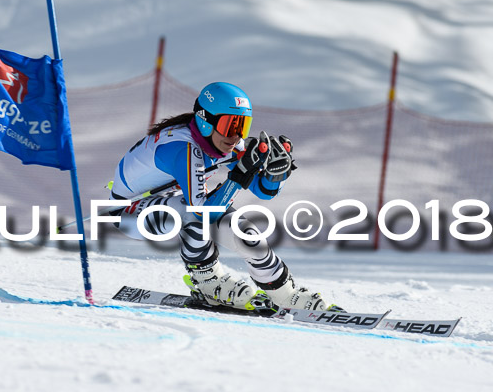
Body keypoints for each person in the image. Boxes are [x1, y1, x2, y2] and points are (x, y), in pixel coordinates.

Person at [108, 82, 337, 312]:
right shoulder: (184, 148)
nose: (236, 135)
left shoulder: (225, 142)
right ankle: (207, 281)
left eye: (242, 125)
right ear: (205, 121)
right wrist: (239, 176)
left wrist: (276, 174)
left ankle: (284, 294)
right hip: (129, 213)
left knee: (245, 232)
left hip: (172, 201)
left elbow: (263, 191)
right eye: (229, 125)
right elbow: (201, 213)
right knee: (192, 214)